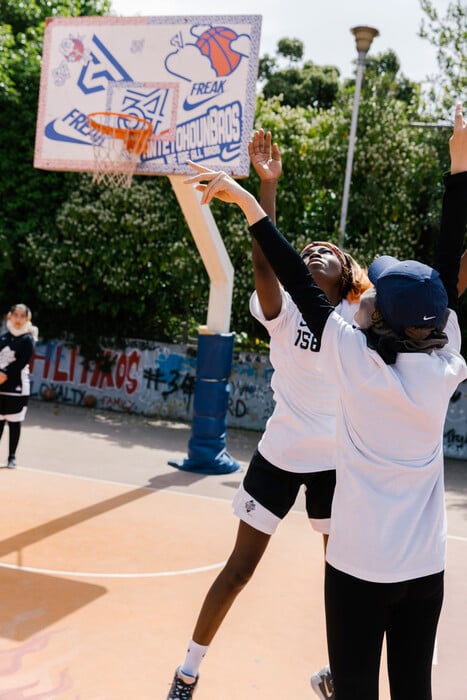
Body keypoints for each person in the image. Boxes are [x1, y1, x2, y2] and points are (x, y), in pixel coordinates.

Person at [182, 102, 467, 699]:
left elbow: (287, 270)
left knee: (355, 683)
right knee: (414, 686)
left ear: (369, 304)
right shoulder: (443, 362)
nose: (317, 254)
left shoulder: (352, 354)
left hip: (361, 565)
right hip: (421, 566)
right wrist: (459, 166)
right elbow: (443, 270)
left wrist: (255, 199)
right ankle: (189, 669)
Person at [166, 132, 371, 700]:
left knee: (344, 579)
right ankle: (186, 672)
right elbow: (265, 256)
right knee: (239, 570)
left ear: (347, 274)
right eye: (306, 251)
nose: (315, 250)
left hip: (335, 463)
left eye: (328, 250)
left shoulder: (358, 318)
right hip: (280, 456)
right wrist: (267, 187)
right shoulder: (281, 311)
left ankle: (341, 675)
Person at [0, 304, 38, 468]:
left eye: (22, 316)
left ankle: (12, 457)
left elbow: (22, 362)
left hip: (17, 387)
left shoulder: (28, 339)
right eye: (16, 315)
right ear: (10, 316)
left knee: (14, 422)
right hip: (0, 385)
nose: (18, 319)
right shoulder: (3, 338)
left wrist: (5, 374)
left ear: (27, 319)